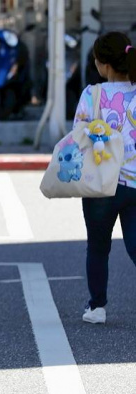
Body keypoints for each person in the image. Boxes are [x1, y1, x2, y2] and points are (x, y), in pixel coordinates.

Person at [73, 32, 136, 324]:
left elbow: (78, 135)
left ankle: (97, 307)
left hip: (100, 183)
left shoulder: (92, 94)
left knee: (98, 247)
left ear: (104, 64)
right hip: (134, 183)